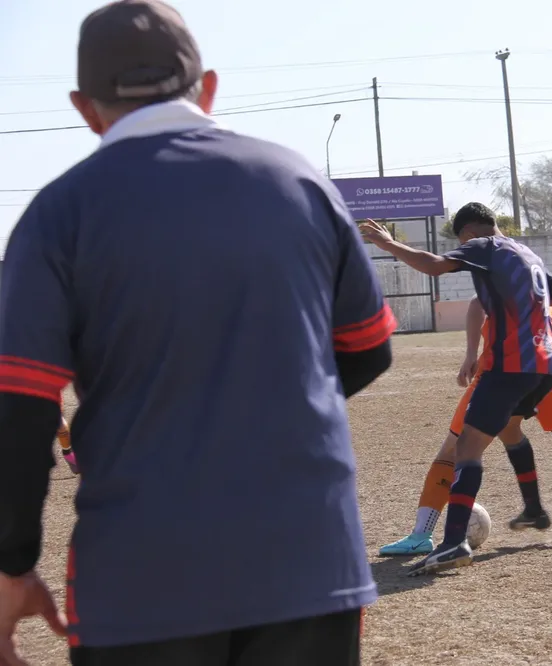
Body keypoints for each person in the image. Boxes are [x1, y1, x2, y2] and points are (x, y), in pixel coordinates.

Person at [0, 2, 394, 664]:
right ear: (206, 87)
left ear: (82, 107)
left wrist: (12, 562)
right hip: (307, 562)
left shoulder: (59, 213)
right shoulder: (300, 182)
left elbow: (18, 408)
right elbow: (367, 349)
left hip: (140, 580)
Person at [361, 203, 552, 576]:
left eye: (461, 242)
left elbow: (434, 265)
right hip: (547, 366)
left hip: (511, 363)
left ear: (469, 233)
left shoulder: (484, 246)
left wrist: (389, 244)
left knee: (467, 447)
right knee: (509, 429)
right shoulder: (526, 253)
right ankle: (534, 508)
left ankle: (453, 541)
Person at [379, 298, 552, 556]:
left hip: (499, 382)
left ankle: (421, 536)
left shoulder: (495, 305)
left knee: (452, 451)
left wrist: (471, 353)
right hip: (549, 381)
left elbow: (476, 306)